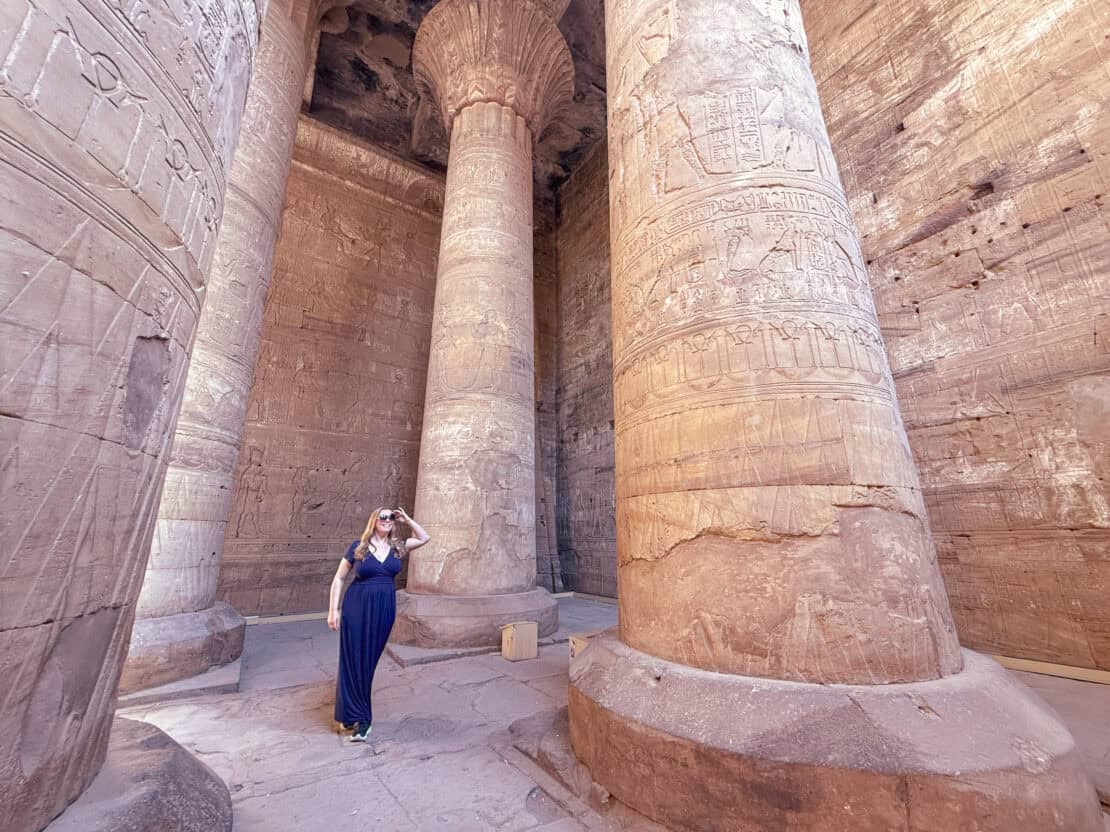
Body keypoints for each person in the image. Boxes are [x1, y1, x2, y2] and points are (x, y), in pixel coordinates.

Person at [329, 506, 430, 741]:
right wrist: (333, 609)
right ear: (374, 521)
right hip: (356, 607)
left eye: (390, 518)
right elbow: (339, 577)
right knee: (352, 660)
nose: (387, 520)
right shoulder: (358, 547)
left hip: (383, 609)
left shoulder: (398, 547)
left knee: (368, 662)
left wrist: (406, 519)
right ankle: (360, 718)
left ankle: (355, 712)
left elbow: (425, 538)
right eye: (382, 517)